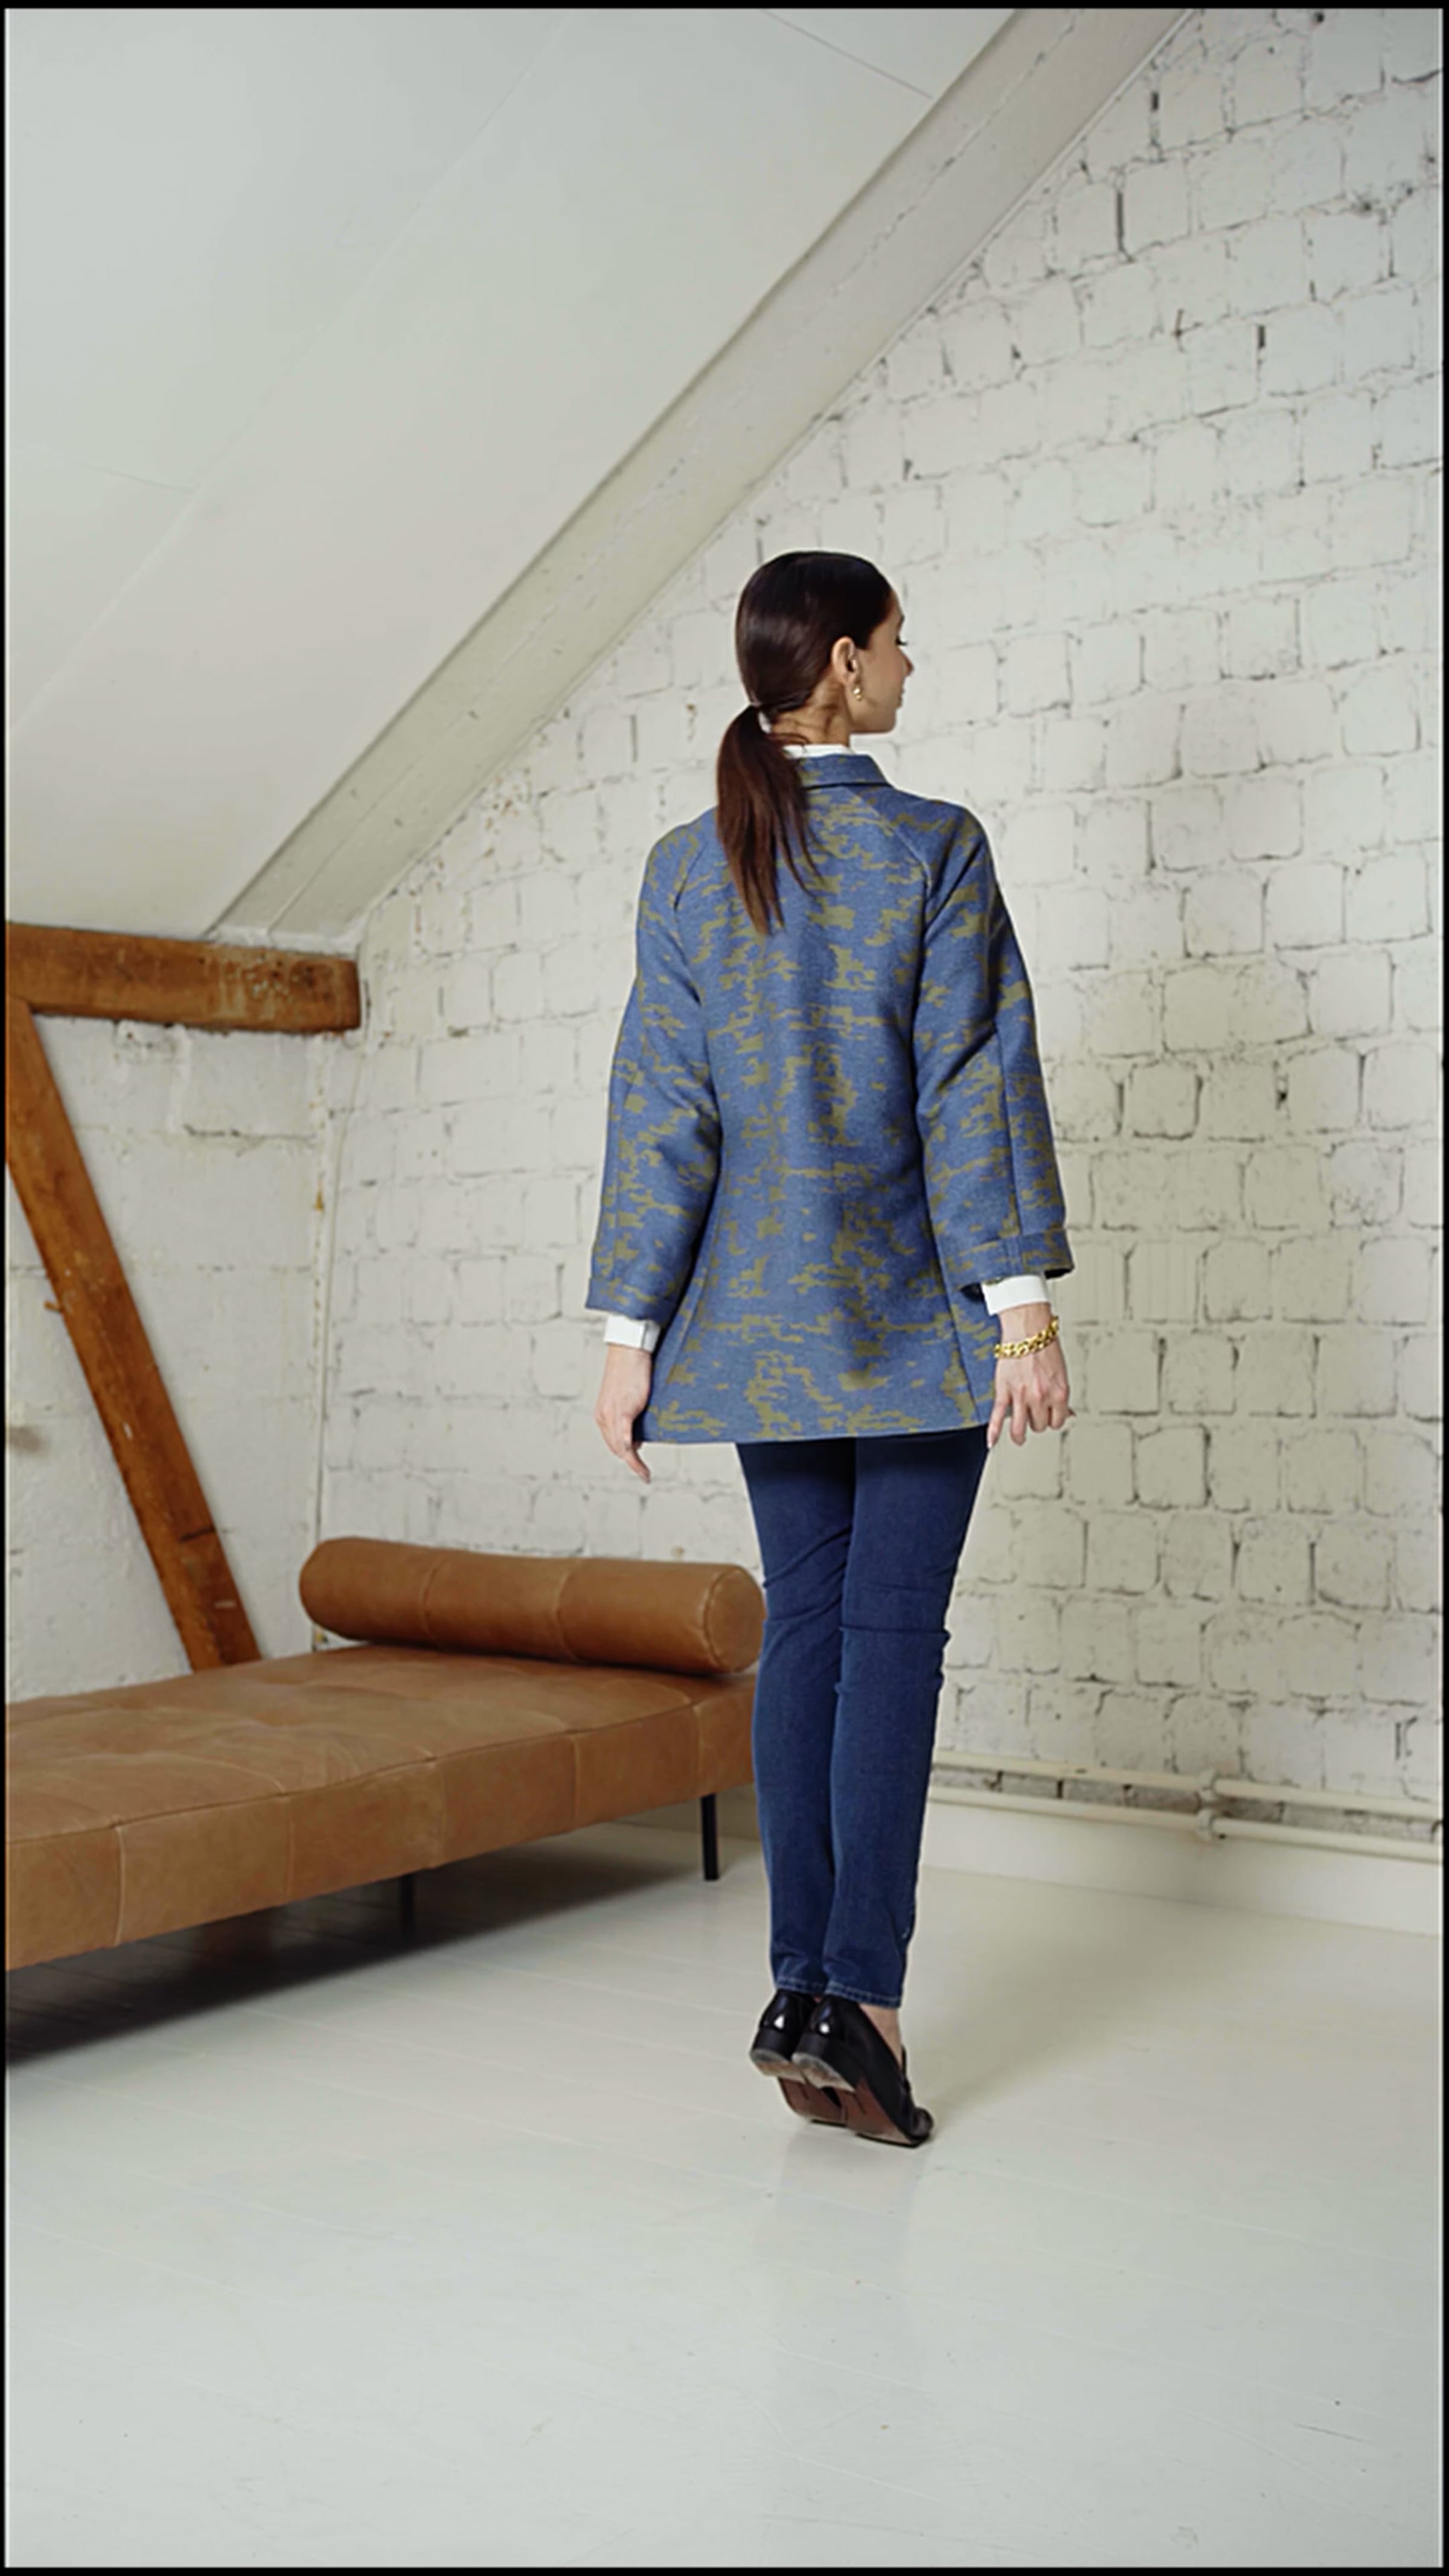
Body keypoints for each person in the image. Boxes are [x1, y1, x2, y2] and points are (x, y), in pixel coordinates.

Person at [585, 551, 1072, 2147]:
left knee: (806, 1637)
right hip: (917, 1323)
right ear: (847, 666)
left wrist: (630, 1335)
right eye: (900, 644)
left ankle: (798, 1990)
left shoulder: (687, 866)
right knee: (890, 1640)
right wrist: (1024, 1310)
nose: (912, 667)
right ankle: (861, 2001)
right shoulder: (933, 846)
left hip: (760, 1336)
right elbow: (971, 1086)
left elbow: (663, 1112)